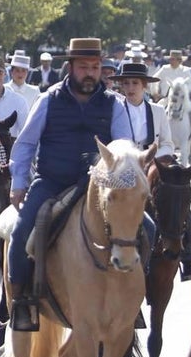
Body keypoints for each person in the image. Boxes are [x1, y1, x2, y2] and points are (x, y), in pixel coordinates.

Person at [7, 38, 134, 331]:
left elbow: (124, 147)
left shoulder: (114, 104)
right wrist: (18, 184)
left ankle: (134, 299)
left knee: (146, 228)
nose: (90, 73)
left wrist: (126, 186)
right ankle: (22, 302)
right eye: (84, 67)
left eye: (95, 67)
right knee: (21, 233)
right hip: (52, 181)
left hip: (101, 186)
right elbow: (25, 144)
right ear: (70, 67)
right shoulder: (48, 99)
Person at [112, 61, 191, 278]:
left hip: (153, 165)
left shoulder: (157, 111)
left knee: (181, 195)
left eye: (135, 83)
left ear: (144, 86)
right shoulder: (115, 109)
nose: (130, 88)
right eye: (127, 83)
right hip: (125, 168)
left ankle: (187, 256)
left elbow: (167, 143)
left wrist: (153, 160)